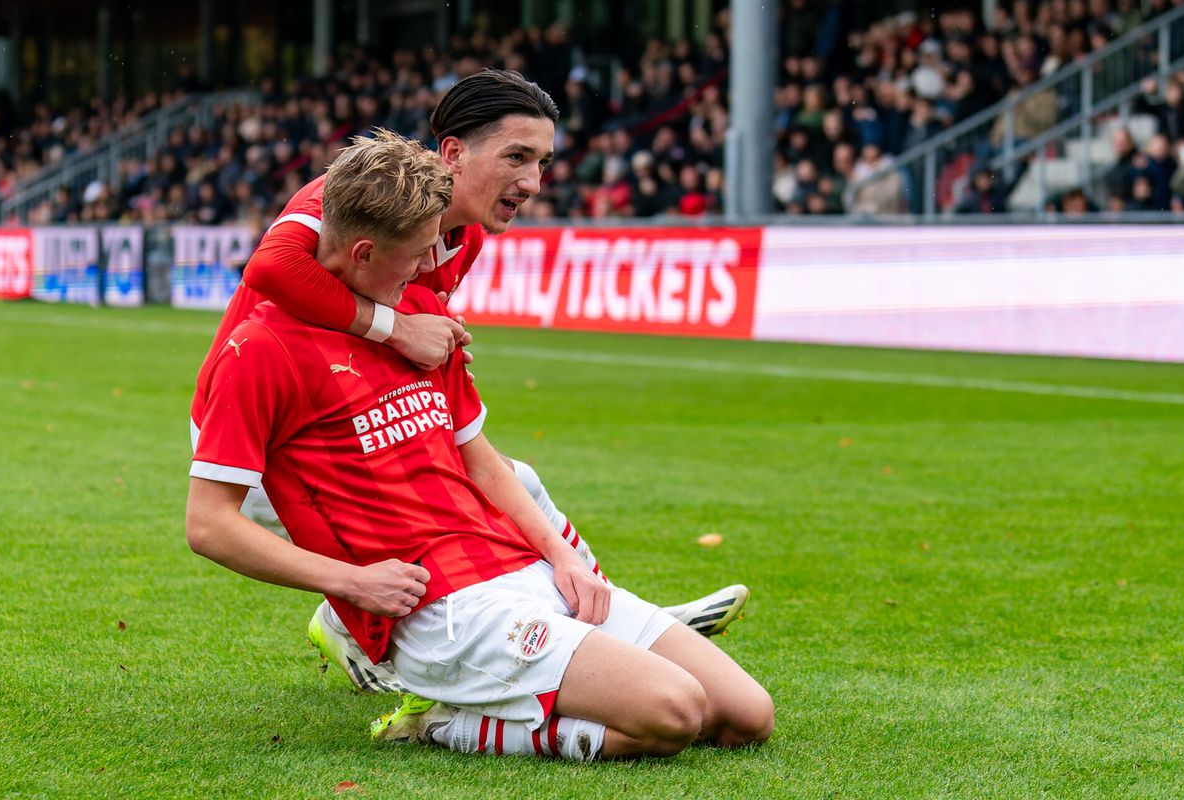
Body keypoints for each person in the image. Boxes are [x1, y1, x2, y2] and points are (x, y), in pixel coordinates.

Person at [186, 131, 773, 760]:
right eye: (414, 255)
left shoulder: (419, 324)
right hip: (442, 608)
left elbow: (482, 459)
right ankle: (447, 720)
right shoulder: (260, 352)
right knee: (675, 712)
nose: (426, 271)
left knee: (746, 716)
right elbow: (209, 524)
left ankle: (565, 652)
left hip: (518, 566)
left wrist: (565, 557)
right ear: (362, 251)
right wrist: (353, 583)